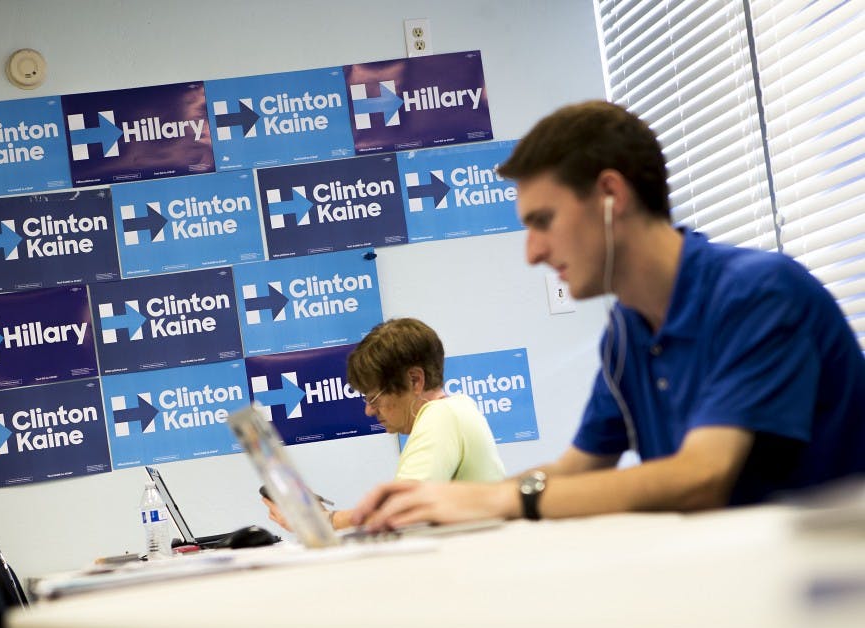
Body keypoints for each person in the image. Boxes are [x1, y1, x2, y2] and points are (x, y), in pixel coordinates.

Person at [351, 100, 865, 530]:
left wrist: (505, 500)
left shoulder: (759, 293)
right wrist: (437, 505)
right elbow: (577, 468)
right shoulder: (625, 332)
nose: (532, 253)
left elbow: (702, 475)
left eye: (543, 221)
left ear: (610, 197)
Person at [263, 317, 506, 530]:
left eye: (374, 398)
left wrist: (320, 520)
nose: (369, 411)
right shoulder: (458, 408)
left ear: (414, 380)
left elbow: (398, 513)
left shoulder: (441, 416)